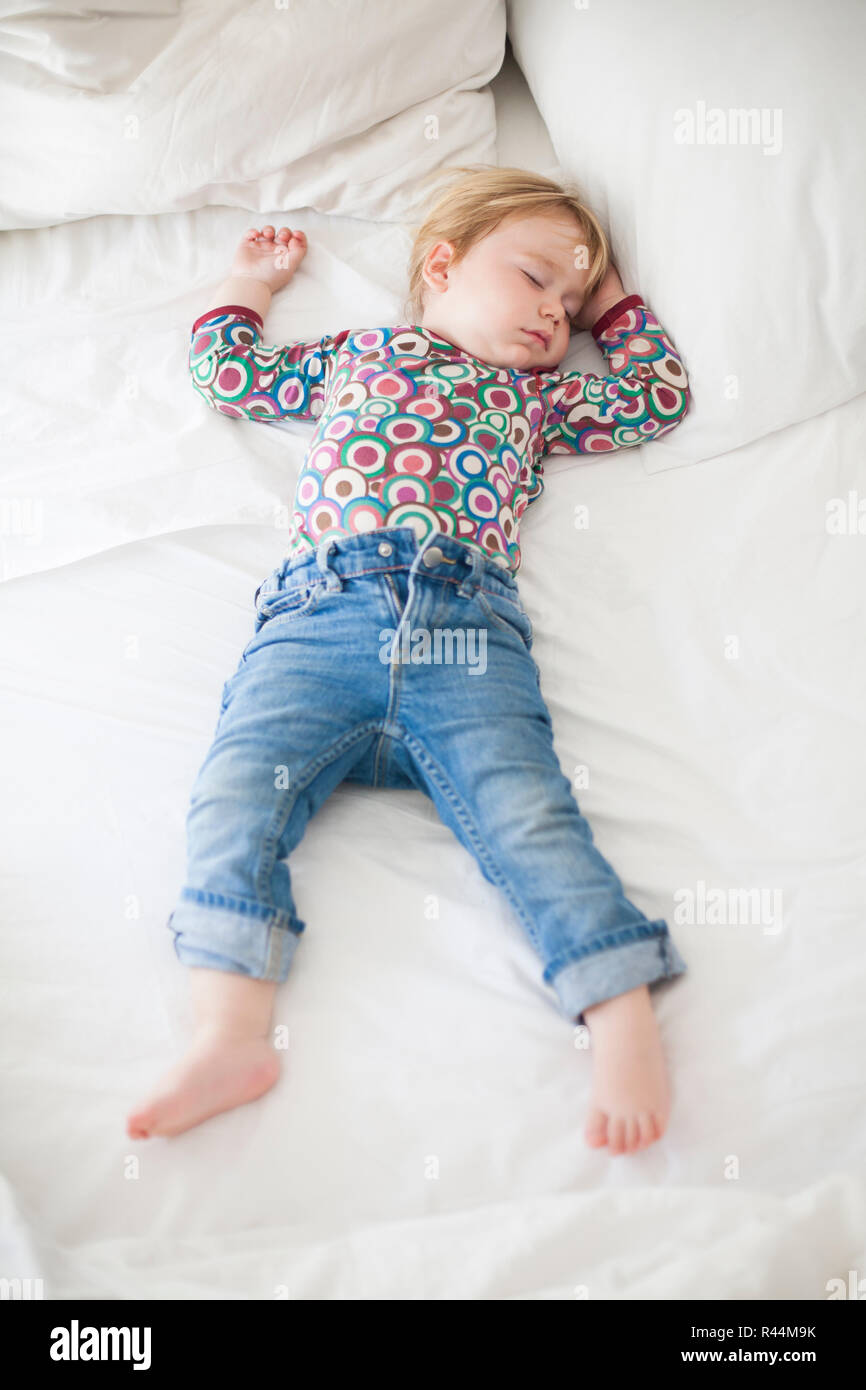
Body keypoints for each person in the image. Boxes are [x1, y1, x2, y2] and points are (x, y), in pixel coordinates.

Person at [126, 166, 691, 1154]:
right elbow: (229, 373)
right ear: (442, 262)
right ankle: (230, 1030)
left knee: (526, 811)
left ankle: (616, 1004)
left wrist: (615, 306)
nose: (553, 317)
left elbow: (655, 398)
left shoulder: (538, 398)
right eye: (534, 279)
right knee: (233, 794)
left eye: (568, 306)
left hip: (464, 627)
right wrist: (248, 285)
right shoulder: (364, 354)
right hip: (319, 615)